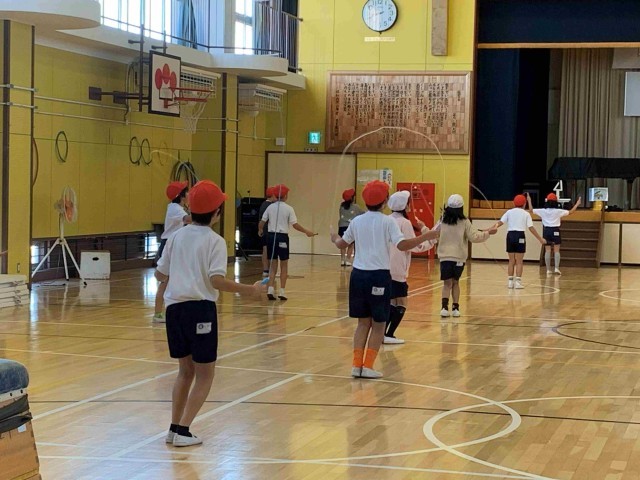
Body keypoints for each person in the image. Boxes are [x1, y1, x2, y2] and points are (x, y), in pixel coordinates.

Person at [155, 180, 264, 447]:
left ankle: (173, 429)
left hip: (174, 311)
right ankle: (183, 430)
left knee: (185, 372)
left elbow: (159, 274)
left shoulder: (176, 236)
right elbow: (216, 280)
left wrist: (182, 274)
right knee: (205, 373)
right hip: (199, 310)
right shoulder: (215, 241)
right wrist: (249, 290)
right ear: (217, 212)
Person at [330, 180, 440, 379]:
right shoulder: (388, 222)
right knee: (379, 323)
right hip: (378, 276)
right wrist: (426, 236)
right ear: (385, 201)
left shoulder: (357, 221)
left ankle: (356, 365)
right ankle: (368, 366)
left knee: (362, 323)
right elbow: (402, 245)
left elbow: (341, 244)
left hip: (357, 276)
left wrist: (333, 237)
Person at [385, 190, 435, 344]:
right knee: (401, 302)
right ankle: (388, 334)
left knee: (392, 301)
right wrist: (430, 240)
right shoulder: (404, 223)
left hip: (384, 267)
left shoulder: (386, 220)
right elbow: (415, 246)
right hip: (398, 267)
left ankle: (383, 334)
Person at [437, 194, 496, 318]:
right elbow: (474, 237)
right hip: (459, 258)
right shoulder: (465, 222)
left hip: (445, 258)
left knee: (447, 283)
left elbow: (433, 233)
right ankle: (455, 308)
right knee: (455, 282)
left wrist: (423, 228)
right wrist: (488, 233)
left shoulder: (442, 220)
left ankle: (444, 307)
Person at [259, 184, 316, 300]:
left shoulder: (270, 207)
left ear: (275, 195)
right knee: (284, 265)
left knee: (273, 265)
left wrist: (260, 230)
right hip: (282, 237)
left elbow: (262, 222)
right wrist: (306, 231)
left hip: (271, 237)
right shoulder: (289, 208)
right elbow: (295, 225)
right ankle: (282, 291)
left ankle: (270, 289)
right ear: (285, 196)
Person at [154, 181, 191, 323]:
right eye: (187, 192)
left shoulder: (178, 208)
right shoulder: (174, 208)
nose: (189, 194)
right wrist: (204, 212)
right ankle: (158, 314)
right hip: (169, 246)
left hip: (176, 245)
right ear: (181, 195)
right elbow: (188, 220)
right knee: (165, 282)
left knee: (176, 280)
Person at [491, 194, 546, 289]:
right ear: (524, 204)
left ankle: (510, 282)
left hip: (510, 236)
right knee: (519, 261)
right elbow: (531, 228)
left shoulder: (509, 212)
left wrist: (492, 228)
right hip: (520, 236)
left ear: (514, 203)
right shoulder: (526, 214)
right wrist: (540, 239)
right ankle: (518, 283)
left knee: (511, 260)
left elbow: (500, 223)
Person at [528, 192, 582, 275]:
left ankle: (548, 269)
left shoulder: (543, 211)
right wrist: (577, 204)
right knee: (557, 250)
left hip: (546, 231)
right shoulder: (558, 211)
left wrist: (529, 200)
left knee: (547, 250)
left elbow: (531, 210)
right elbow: (571, 212)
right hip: (555, 230)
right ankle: (556, 268)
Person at [338, 188, 364, 267]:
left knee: (343, 243)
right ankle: (348, 260)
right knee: (351, 244)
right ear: (352, 198)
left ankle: (342, 260)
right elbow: (362, 213)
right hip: (350, 227)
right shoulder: (356, 207)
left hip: (341, 227)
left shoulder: (341, 206)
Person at [258, 186, 276, 278]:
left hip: (264, 230)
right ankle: (271, 270)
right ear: (273, 195)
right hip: (269, 230)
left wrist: (260, 229)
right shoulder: (271, 206)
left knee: (265, 249)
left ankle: (265, 270)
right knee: (270, 251)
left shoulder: (263, 204)